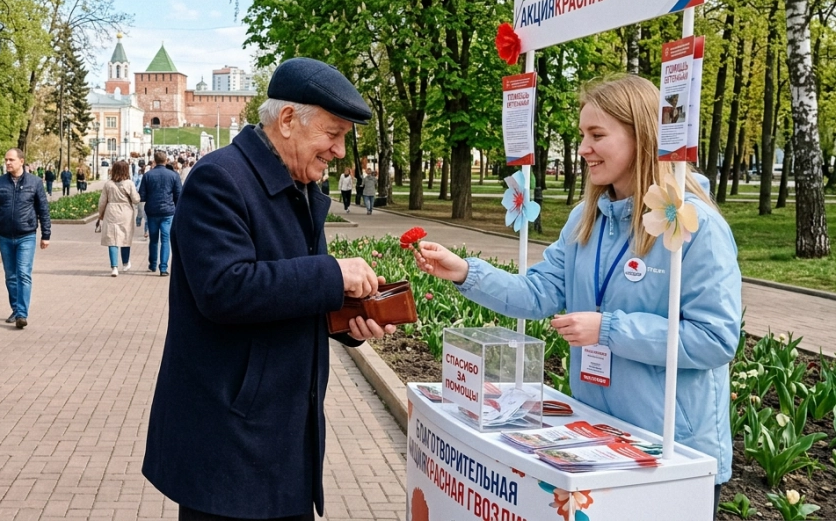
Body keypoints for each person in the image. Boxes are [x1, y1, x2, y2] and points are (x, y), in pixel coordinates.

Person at [412, 75, 740, 518]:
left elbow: (716, 339)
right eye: (583, 135)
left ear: (641, 135)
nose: (583, 148)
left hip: (671, 452)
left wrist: (609, 330)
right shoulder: (586, 220)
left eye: (597, 135)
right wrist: (467, 272)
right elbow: (538, 293)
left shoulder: (693, 225)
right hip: (597, 442)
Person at [143, 58, 394, 521]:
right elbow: (223, 288)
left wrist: (347, 320)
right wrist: (331, 276)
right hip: (230, 444)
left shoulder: (296, 183)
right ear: (285, 121)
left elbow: (290, 293)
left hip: (282, 438)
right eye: (332, 134)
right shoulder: (220, 179)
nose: (339, 151)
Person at [0, 148, 52, 330]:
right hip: (5, 235)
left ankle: (22, 314)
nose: (8, 163)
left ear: (21, 161)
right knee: (11, 276)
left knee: (23, 274)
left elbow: (43, 209)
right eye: (6, 160)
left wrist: (46, 235)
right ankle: (15, 308)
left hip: (26, 235)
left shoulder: (34, 182)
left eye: (11, 160)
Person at [138, 151, 182, 276]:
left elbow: (142, 195)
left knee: (153, 239)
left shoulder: (148, 175)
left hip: (152, 210)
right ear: (166, 160)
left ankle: (152, 264)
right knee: (165, 239)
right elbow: (179, 195)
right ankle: (163, 268)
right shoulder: (173, 175)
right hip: (168, 211)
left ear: (154, 160)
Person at [98, 161, 141, 277]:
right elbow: (136, 199)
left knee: (112, 239)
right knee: (125, 237)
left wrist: (100, 214)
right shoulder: (129, 183)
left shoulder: (108, 184)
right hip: (126, 212)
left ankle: (114, 267)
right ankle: (126, 262)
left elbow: (102, 202)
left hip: (111, 211)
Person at [132, 165, 146, 229]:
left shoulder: (149, 176)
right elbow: (135, 182)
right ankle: (138, 220)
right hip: (139, 193)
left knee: (146, 213)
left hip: (147, 194)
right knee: (140, 210)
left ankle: (146, 230)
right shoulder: (139, 176)